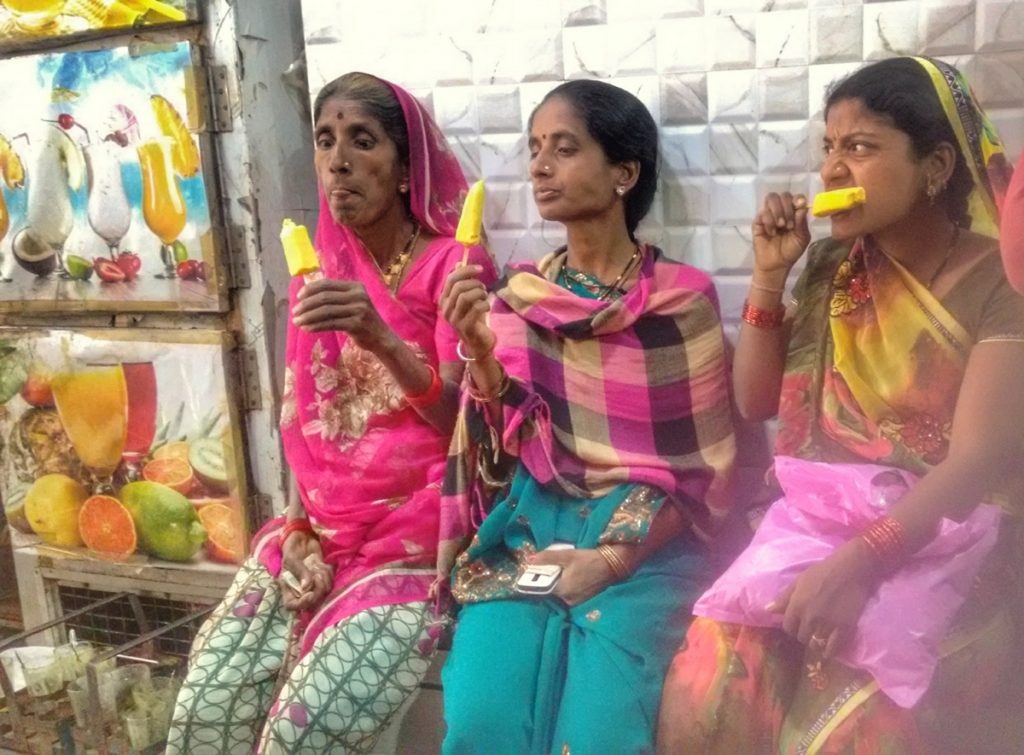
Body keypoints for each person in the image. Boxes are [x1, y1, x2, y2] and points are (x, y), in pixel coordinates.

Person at [656, 56, 1024, 753]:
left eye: (860, 147)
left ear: (937, 165)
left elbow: (979, 461)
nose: (831, 169)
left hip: (949, 545)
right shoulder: (832, 267)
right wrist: (770, 274)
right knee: (707, 693)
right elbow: (757, 398)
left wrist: (860, 562)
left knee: (852, 731)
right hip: (817, 530)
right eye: (828, 147)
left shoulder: (1003, 280)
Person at [166, 72, 496, 754]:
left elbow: (467, 425)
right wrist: (293, 524)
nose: (337, 160)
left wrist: (379, 335)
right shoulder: (318, 272)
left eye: (362, 140)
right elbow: (304, 422)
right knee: (203, 714)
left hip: (415, 537)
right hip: (319, 529)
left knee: (299, 741)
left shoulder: (453, 269)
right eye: (324, 140)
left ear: (407, 171)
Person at [437, 79, 736, 754]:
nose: (539, 166)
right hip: (532, 521)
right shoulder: (517, 298)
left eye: (564, 148)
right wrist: (481, 354)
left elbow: (700, 470)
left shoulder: (681, 303)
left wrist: (610, 557)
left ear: (624, 172)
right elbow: (503, 450)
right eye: (535, 149)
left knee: (598, 733)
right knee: (483, 716)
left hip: (648, 534)